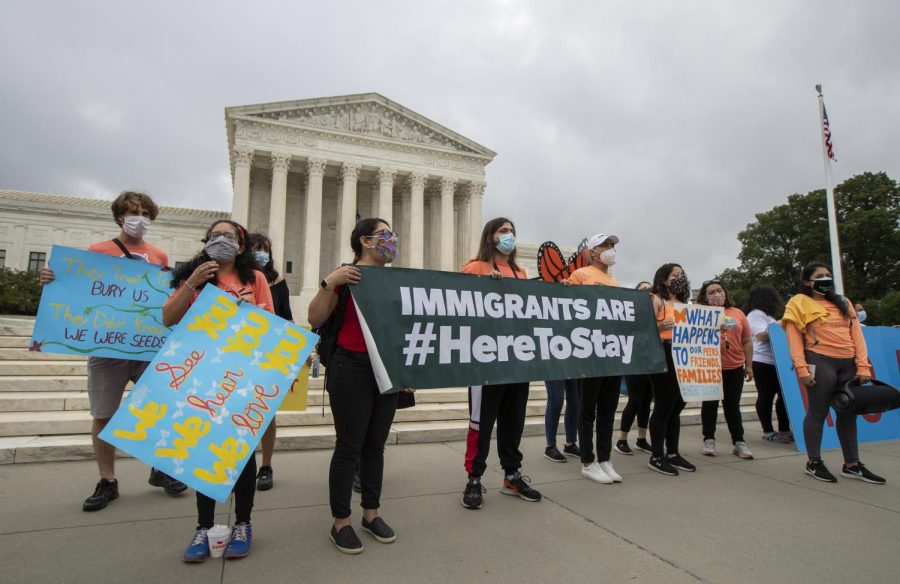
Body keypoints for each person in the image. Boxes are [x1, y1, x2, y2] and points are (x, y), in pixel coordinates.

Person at [39, 191, 187, 512]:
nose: (140, 219)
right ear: (120, 216)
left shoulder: (159, 257)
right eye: (133, 212)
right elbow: (77, 288)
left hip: (147, 347)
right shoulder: (97, 251)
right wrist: (52, 279)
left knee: (157, 409)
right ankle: (108, 480)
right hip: (107, 348)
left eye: (145, 213)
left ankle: (159, 468)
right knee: (104, 414)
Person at [164, 219, 274, 561]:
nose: (222, 240)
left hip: (241, 375)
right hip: (202, 374)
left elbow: (272, 324)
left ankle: (243, 523)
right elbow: (169, 317)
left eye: (229, 236)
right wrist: (192, 284)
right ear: (206, 241)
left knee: (240, 454)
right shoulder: (193, 277)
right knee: (203, 451)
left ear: (241, 245)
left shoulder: (254, 278)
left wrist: (253, 312)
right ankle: (203, 527)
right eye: (215, 236)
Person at [308, 218, 410, 554]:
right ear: (365, 241)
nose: (392, 239)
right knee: (349, 446)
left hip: (387, 369)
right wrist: (328, 283)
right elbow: (316, 318)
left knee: (375, 447)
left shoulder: (397, 281)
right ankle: (341, 522)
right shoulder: (346, 276)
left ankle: (371, 513)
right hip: (350, 366)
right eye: (385, 235)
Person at [460, 217, 542, 509]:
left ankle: (512, 475)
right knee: (481, 423)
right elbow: (458, 307)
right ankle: (474, 479)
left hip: (518, 361)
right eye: (503, 231)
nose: (509, 236)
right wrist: (485, 288)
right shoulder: (474, 269)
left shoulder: (520, 273)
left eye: (512, 232)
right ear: (490, 236)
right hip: (486, 363)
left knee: (513, 422)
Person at [782, 262, 885, 484]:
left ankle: (852, 465)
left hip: (848, 363)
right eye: (820, 276)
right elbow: (794, 339)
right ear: (808, 282)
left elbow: (857, 335)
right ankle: (814, 462)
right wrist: (801, 368)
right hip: (820, 361)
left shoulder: (843, 302)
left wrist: (863, 365)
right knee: (818, 412)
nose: (826, 279)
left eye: (828, 275)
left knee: (848, 413)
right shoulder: (798, 303)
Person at [565, 233, 624, 484]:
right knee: (587, 410)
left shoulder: (613, 281)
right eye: (605, 245)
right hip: (589, 351)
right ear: (593, 252)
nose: (610, 249)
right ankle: (588, 461)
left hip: (609, 352)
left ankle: (605, 458)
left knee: (608, 410)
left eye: (612, 246)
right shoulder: (581, 275)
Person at [247, 233, 294, 492]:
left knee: (265, 413)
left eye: (264, 248)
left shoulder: (277, 281)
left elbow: (286, 316)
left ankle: (266, 465)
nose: (260, 252)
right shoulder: (234, 279)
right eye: (255, 248)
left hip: (267, 354)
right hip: (236, 353)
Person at [646, 263, 696, 476]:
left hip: (684, 355)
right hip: (663, 355)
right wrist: (658, 328)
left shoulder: (686, 304)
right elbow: (641, 330)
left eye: (682, 274)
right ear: (664, 279)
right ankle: (656, 455)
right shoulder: (656, 300)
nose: (680, 278)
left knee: (677, 404)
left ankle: (673, 453)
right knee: (664, 404)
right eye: (675, 275)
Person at [696, 280, 754, 459]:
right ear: (705, 297)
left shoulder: (738, 313)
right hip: (710, 366)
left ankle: (739, 442)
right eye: (711, 293)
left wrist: (749, 365)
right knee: (710, 404)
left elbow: (747, 340)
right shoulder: (700, 314)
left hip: (734, 367)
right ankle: (709, 440)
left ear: (725, 292)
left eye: (719, 290)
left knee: (732, 406)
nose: (716, 294)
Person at [744, 286, 792, 443]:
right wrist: (782, 322)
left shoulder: (767, 316)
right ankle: (768, 431)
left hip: (775, 361)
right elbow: (762, 335)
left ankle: (784, 429)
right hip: (762, 361)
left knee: (784, 396)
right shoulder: (756, 314)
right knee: (766, 395)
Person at [615, 281, 654, 456]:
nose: (648, 291)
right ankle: (622, 439)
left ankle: (641, 438)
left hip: (652, 362)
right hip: (635, 361)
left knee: (646, 400)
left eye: (650, 288)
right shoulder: (629, 313)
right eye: (643, 289)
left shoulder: (656, 312)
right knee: (635, 399)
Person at [542, 378, 580, 463]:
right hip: (552, 365)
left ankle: (570, 445)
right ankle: (550, 447)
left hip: (571, 365)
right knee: (556, 400)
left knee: (575, 402)